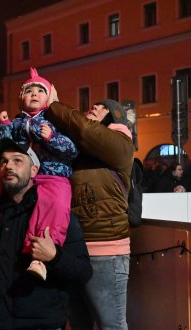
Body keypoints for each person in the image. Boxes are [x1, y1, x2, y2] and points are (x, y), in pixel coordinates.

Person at [0, 138, 92, 329]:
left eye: (18, 160)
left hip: (40, 324)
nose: (9, 166)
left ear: (34, 171)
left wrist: (54, 257)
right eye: (4, 161)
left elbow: (83, 272)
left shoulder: (57, 213)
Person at [0, 67, 78, 281]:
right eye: (29, 91)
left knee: (56, 203)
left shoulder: (56, 121)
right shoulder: (16, 122)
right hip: (25, 177)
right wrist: (3, 126)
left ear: (50, 98)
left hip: (52, 175)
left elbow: (71, 150)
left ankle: (39, 255)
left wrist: (52, 138)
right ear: (21, 98)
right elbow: (2, 148)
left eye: (40, 91)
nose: (34, 94)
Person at [46, 92, 134, 329]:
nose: (93, 107)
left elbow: (85, 130)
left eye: (101, 107)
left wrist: (53, 103)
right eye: (92, 105)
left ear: (115, 118)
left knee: (111, 324)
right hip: (74, 247)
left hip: (106, 249)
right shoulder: (78, 150)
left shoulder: (121, 143)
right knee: (78, 322)